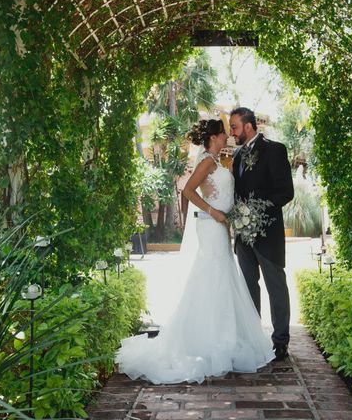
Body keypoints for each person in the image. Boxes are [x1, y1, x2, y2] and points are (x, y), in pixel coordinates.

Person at [115, 119, 274, 384]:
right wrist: (214, 213)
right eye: (223, 133)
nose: (226, 137)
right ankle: (211, 342)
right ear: (213, 137)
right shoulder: (207, 162)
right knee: (214, 276)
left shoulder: (216, 160)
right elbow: (188, 190)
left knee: (221, 277)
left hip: (219, 226)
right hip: (211, 226)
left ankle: (224, 338)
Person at [229, 107, 294, 361]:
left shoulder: (275, 150)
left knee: (275, 287)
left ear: (248, 126)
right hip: (243, 237)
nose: (232, 132)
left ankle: (280, 342)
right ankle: (253, 340)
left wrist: (257, 211)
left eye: (234, 127)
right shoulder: (236, 156)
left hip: (268, 235)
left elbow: (285, 192)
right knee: (247, 288)